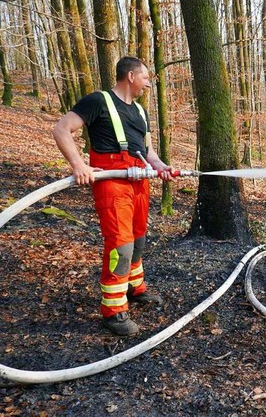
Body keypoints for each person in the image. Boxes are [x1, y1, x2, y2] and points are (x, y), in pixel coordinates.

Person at [52, 56, 174, 336]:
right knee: (121, 246)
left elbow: (148, 151)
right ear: (130, 76)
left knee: (139, 239)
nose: (147, 84)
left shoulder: (141, 112)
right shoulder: (98, 101)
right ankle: (114, 310)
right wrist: (79, 165)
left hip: (139, 181)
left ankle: (134, 288)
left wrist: (161, 167)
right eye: (145, 78)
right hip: (112, 181)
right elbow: (61, 129)